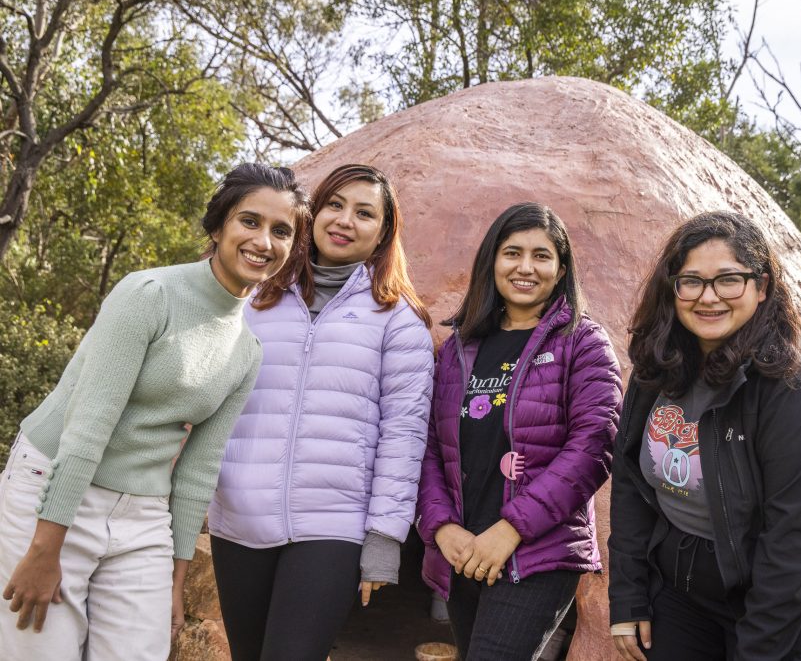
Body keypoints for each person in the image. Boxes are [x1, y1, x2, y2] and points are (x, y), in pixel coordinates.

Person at [0, 163, 309, 660]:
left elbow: (197, 471)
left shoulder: (247, 351)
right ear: (218, 227)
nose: (263, 241)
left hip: (142, 513)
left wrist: (176, 579)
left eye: (281, 231)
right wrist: (44, 547)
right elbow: (89, 425)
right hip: (54, 486)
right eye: (249, 221)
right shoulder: (148, 294)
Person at [607, 210, 801, 661]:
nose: (708, 298)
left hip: (790, 604)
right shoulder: (657, 369)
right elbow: (631, 483)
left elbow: (795, 545)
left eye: (729, 279)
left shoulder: (800, 389)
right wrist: (628, 596)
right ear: (673, 288)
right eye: (691, 281)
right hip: (682, 590)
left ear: (761, 286)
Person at [207, 163, 434, 661]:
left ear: (383, 234)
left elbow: (404, 435)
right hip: (238, 518)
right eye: (334, 204)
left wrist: (383, 537)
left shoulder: (397, 322)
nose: (345, 220)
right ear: (313, 215)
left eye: (364, 213)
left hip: (333, 527)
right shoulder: (254, 299)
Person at [417, 202, 622, 661]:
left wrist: (511, 529)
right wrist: (442, 527)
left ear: (561, 267)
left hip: (535, 553)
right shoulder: (460, 347)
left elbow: (593, 445)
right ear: (492, 261)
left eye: (541, 255)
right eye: (512, 253)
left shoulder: (583, 343)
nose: (525, 267)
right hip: (463, 551)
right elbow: (429, 445)